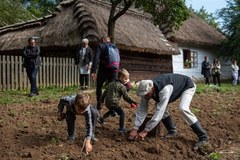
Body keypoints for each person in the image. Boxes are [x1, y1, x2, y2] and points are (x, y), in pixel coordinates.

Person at [128, 73, 208, 151]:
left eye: (146, 94)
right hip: (173, 88)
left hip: (187, 85)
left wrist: (145, 131)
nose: (145, 96)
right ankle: (172, 131)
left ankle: (203, 137)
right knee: (159, 106)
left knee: (183, 108)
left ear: (152, 88)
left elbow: (160, 113)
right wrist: (135, 128)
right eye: (143, 94)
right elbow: (142, 109)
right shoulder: (146, 90)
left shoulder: (164, 90)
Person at [98, 69, 137, 133]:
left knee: (112, 111)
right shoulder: (122, 86)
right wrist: (133, 102)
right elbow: (126, 97)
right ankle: (121, 128)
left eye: (127, 79)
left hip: (107, 103)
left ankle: (101, 119)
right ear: (120, 77)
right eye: (125, 79)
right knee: (122, 114)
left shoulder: (111, 83)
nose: (127, 81)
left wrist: (101, 101)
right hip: (114, 103)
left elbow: (104, 92)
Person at [91, 36, 120, 110]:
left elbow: (96, 58)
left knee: (99, 86)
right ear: (109, 40)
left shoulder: (101, 46)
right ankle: (113, 107)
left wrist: (93, 71)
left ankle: (99, 103)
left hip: (103, 70)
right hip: (114, 71)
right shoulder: (115, 47)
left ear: (103, 40)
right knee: (112, 88)